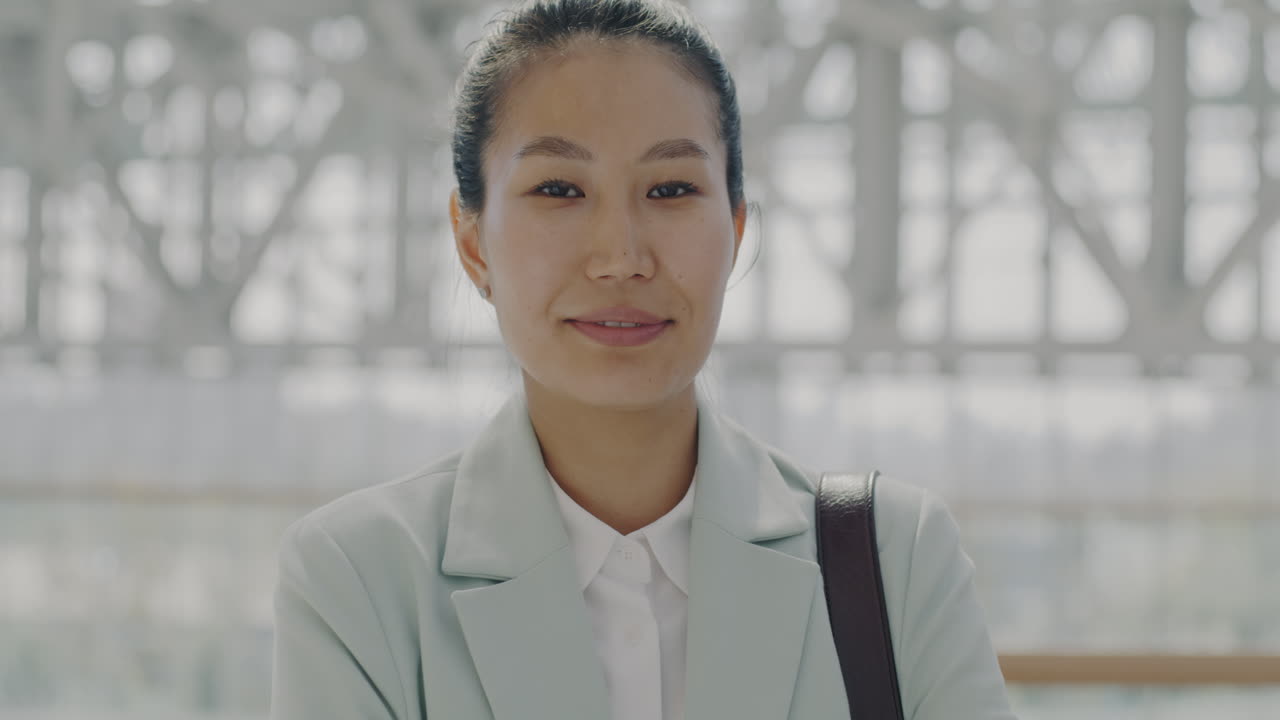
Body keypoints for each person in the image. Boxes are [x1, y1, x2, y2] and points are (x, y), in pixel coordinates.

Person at [269, 1, 1016, 718]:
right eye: (559, 189)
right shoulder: (359, 580)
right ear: (473, 244)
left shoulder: (892, 561)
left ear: (735, 232)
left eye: (671, 188)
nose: (621, 256)